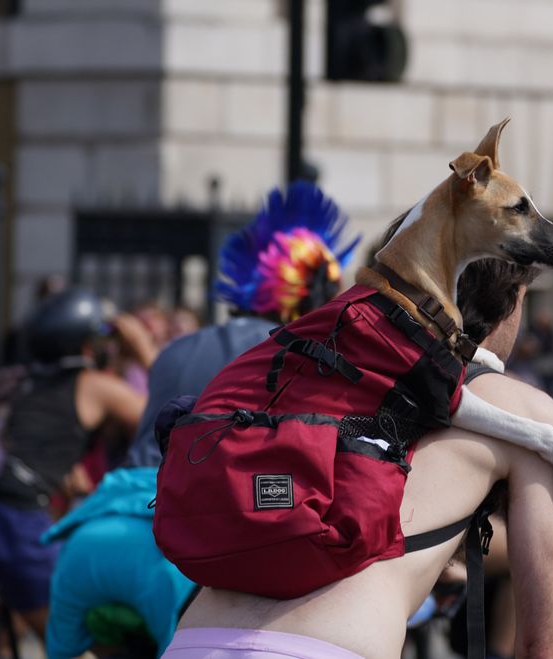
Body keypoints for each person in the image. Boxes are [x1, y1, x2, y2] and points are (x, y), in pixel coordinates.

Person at [163, 257, 553, 658]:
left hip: (192, 641)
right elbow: (548, 646)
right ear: (511, 299)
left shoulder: (317, 372)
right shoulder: (526, 413)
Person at [42, 181, 360, 659]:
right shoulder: (285, 355)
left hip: (91, 537)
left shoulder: (177, 348)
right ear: (308, 292)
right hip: (172, 546)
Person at [0, 288, 150, 641]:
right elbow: (167, 413)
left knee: (25, 604)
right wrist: (142, 349)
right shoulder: (95, 386)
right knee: (78, 638)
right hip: (14, 521)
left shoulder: (21, 381)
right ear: (86, 346)